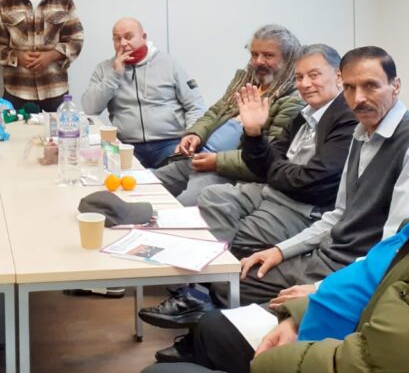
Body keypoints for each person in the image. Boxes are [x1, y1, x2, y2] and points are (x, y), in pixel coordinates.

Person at [145, 75, 409, 373]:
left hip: (346, 321)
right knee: (212, 327)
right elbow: (374, 262)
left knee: (207, 332)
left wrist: (270, 361)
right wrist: (303, 311)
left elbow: (378, 360)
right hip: (338, 301)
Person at [146, 46, 409, 368]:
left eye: (371, 86)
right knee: (233, 273)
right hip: (323, 250)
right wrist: (280, 251)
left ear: (396, 86)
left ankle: (221, 342)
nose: (359, 98)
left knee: (230, 285)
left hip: (348, 271)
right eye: (351, 87)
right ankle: (210, 339)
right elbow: (336, 213)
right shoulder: (359, 130)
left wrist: (320, 288)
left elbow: (393, 249)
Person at [140, 44, 356, 341]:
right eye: (300, 77)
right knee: (212, 199)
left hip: (302, 208)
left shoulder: (346, 118)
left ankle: (206, 305)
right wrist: (254, 133)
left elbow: (311, 179)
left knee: (222, 241)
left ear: (339, 77)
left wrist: (275, 170)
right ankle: (204, 298)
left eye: (314, 75)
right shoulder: (307, 113)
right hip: (272, 190)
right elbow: (265, 161)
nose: (305, 84)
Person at [150, 24, 304, 204]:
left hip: (227, 173)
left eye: (268, 55)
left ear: (288, 59)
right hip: (198, 159)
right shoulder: (245, 81)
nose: (259, 61)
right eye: (254, 54)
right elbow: (214, 112)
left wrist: (217, 161)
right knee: (146, 186)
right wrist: (194, 134)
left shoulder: (293, 99)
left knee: (184, 209)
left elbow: (271, 156)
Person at [81, 17, 205, 168]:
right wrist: (114, 75)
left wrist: (191, 135)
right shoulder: (104, 69)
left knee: (174, 181)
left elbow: (195, 105)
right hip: (127, 145)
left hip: (170, 142)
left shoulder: (168, 63)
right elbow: (90, 109)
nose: (123, 44)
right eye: (117, 39)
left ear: (144, 37)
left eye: (128, 37)